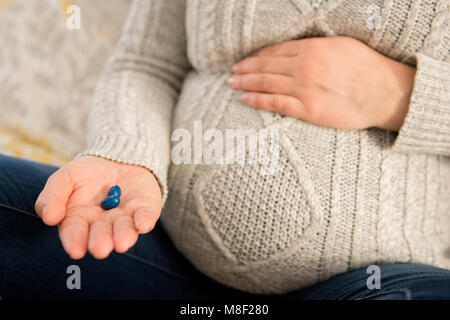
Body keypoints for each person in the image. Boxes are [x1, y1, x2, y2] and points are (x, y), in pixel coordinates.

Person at [0, 0, 449, 299]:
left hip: (377, 280)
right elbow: (146, 63)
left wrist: (402, 95)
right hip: (159, 249)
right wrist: (127, 152)